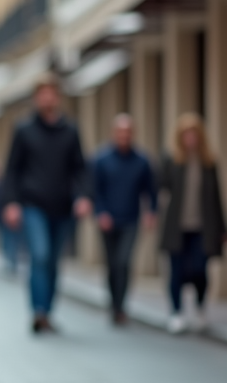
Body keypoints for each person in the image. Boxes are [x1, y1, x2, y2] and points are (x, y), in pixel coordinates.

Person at [1, 76, 90, 334]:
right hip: (33, 205)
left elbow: (80, 168)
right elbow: (12, 170)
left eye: (51, 93)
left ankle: (48, 312)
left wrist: (84, 196)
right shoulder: (24, 129)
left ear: (58, 97)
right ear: (36, 98)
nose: (47, 98)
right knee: (39, 255)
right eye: (42, 94)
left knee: (52, 261)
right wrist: (11, 202)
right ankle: (38, 311)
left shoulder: (70, 130)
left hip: (62, 207)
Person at [157, 113, 225, 335]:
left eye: (194, 134)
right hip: (177, 227)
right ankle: (176, 312)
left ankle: (200, 307)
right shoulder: (171, 161)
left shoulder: (208, 162)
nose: (190, 138)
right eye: (186, 134)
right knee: (176, 270)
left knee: (199, 269)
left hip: (202, 227)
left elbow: (216, 198)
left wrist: (222, 229)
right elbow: (161, 188)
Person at [92, 114, 157, 326]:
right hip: (108, 220)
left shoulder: (142, 161)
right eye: (120, 132)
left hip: (130, 219)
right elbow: (95, 190)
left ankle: (121, 307)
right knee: (112, 264)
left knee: (124, 261)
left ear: (133, 134)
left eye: (128, 132)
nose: (124, 135)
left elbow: (151, 190)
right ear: (114, 133)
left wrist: (151, 212)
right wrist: (101, 212)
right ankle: (113, 303)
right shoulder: (101, 159)